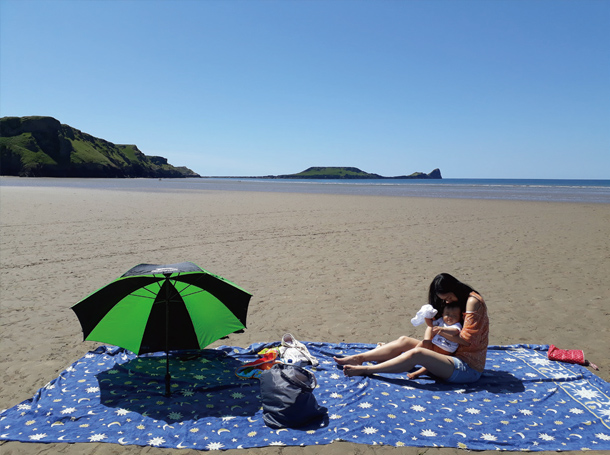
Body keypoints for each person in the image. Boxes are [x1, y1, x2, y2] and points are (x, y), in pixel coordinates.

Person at [334, 273, 489, 383]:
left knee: (418, 353)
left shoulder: (472, 301)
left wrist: (440, 331)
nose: (447, 303)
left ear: (455, 289)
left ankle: (368, 370)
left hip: (467, 368)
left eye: (448, 298)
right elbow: (434, 325)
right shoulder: (456, 302)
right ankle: (360, 358)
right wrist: (429, 336)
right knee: (404, 341)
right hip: (448, 355)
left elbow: (468, 341)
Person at [407, 303, 468, 379]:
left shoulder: (456, 325)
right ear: (442, 314)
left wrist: (442, 329)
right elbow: (431, 324)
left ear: (459, 318)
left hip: (445, 350)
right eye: (447, 314)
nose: (450, 317)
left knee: (431, 362)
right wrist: (426, 316)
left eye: (454, 316)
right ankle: (410, 357)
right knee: (424, 343)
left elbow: (454, 331)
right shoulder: (441, 321)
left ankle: (417, 373)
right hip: (435, 344)